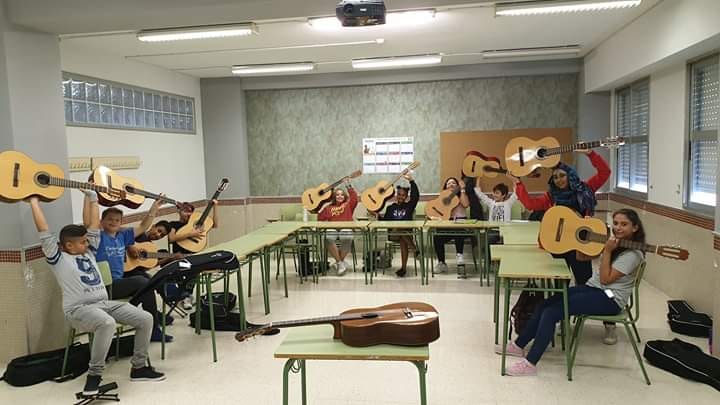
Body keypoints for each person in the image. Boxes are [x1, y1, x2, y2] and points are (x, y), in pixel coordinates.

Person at [27, 192, 164, 396]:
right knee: (106, 323)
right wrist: (34, 202)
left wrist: (92, 197)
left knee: (145, 318)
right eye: (82, 242)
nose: (88, 243)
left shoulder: (89, 251)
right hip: (78, 310)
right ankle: (94, 377)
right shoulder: (58, 258)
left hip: (103, 303)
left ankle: (139, 367)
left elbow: (92, 224)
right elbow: (44, 230)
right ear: (68, 245)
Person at [497, 208, 645, 376]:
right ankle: (518, 345)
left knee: (552, 312)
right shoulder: (615, 243)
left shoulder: (633, 254)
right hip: (594, 289)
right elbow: (582, 258)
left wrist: (608, 251)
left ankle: (531, 363)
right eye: (616, 223)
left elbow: (605, 279)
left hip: (610, 299)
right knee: (546, 303)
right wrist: (582, 240)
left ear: (635, 228)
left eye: (624, 224)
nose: (618, 228)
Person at [513, 149, 611, 285]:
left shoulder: (585, 189)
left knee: (584, 281)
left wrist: (590, 154)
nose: (559, 180)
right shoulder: (551, 196)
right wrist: (518, 183)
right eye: (555, 177)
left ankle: (580, 304)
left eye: (562, 175)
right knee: (560, 284)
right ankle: (560, 305)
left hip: (580, 245)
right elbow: (531, 204)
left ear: (570, 175)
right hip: (558, 244)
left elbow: (605, 173)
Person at [92, 199, 172, 342]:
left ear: (121, 223)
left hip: (118, 283)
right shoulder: (98, 237)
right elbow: (90, 222)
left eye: (117, 220)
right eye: (109, 219)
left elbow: (143, 226)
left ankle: (152, 328)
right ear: (102, 222)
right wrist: (92, 198)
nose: (113, 222)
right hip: (104, 288)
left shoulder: (122, 236)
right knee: (142, 281)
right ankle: (149, 325)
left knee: (147, 285)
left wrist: (154, 208)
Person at [167, 201, 219, 309]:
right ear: (179, 211)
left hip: (193, 257)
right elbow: (171, 239)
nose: (188, 214)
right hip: (179, 258)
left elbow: (215, 224)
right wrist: (191, 234)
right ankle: (185, 296)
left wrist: (215, 207)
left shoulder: (196, 224)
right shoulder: (173, 224)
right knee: (185, 270)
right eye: (185, 211)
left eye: (190, 212)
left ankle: (186, 295)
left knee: (195, 269)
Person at [369, 174, 419, 277]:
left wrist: (412, 181)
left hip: (405, 235)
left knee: (402, 238)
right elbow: (385, 221)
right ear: (396, 195)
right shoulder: (390, 208)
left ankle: (403, 269)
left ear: (406, 197)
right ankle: (415, 249)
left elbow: (416, 196)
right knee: (400, 229)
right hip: (393, 234)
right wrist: (377, 215)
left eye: (403, 195)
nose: (401, 197)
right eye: (399, 194)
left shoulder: (409, 206)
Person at [431, 177, 470, 276]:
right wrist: (436, 218)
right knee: (437, 237)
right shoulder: (442, 197)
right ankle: (441, 263)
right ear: (445, 186)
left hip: (461, 225)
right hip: (447, 225)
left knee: (458, 231)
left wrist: (462, 190)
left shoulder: (461, 195)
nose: (451, 184)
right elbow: (437, 211)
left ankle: (460, 257)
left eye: (453, 183)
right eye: (449, 183)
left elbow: (465, 204)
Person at [318, 178, 358, 276]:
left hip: (346, 228)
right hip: (333, 228)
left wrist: (348, 185)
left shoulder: (348, 204)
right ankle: (340, 263)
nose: (339, 196)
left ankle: (339, 262)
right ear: (334, 197)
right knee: (327, 238)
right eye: (337, 195)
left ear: (344, 196)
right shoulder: (328, 208)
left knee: (348, 237)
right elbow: (320, 218)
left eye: (341, 194)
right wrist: (317, 206)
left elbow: (354, 198)